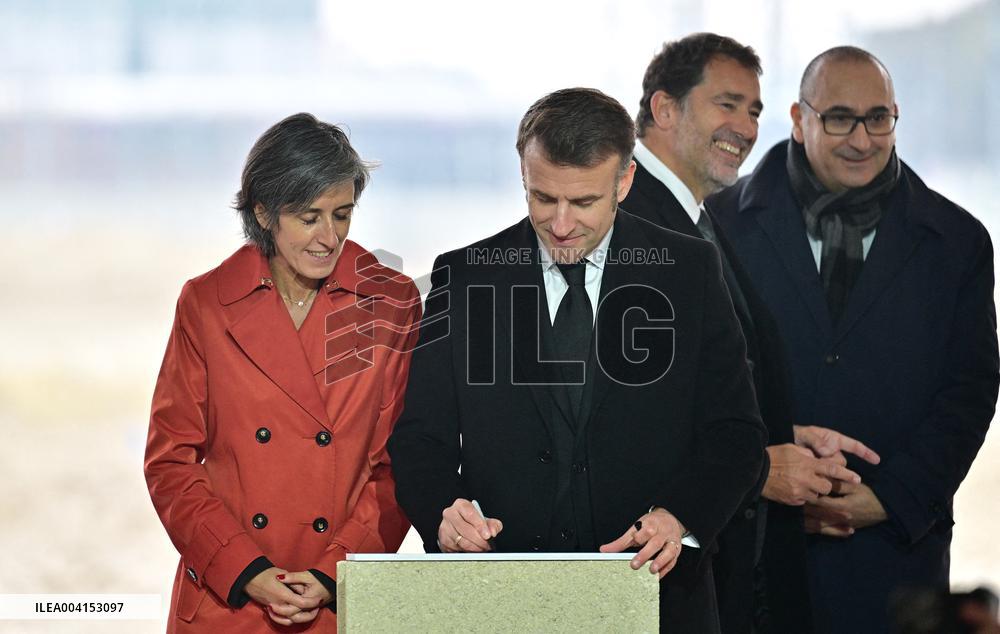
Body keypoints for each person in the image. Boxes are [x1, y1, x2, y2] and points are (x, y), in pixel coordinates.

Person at [388, 87, 767, 633]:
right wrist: (443, 513)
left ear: (625, 182)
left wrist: (681, 519)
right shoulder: (463, 277)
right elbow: (420, 440)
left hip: (658, 600)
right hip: (500, 601)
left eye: (584, 202)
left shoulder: (690, 271)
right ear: (523, 176)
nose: (562, 223)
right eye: (544, 198)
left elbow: (736, 433)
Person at [711, 47, 999, 633]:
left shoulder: (958, 241)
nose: (862, 139)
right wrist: (766, 476)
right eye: (840, 117)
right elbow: (699, 388)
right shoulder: (720, 226)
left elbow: (968, 394)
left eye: (878, 118)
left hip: (894, 557)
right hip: (755, 553)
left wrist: (890, 498)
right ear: (798, 118)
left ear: (896, 116)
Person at [622, 32, 880, 633]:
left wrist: (782, 429)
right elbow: (626, 415)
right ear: (664, 109)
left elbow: (700, 382)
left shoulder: (697, 214)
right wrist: (763, 467)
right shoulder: (630, 220)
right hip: (669, 581)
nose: (745, 125)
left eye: (755, 110)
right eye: (727, 103)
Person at [144, 113, 421, 632]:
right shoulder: (206, 303)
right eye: (309, 217)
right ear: (265, 213)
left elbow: (397, 464)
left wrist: (335, 571)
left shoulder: (391, 301)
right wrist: (246, 569)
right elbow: (170, 463)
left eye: (342, 214)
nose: (329, 237)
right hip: (228, 600)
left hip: (336, 599)